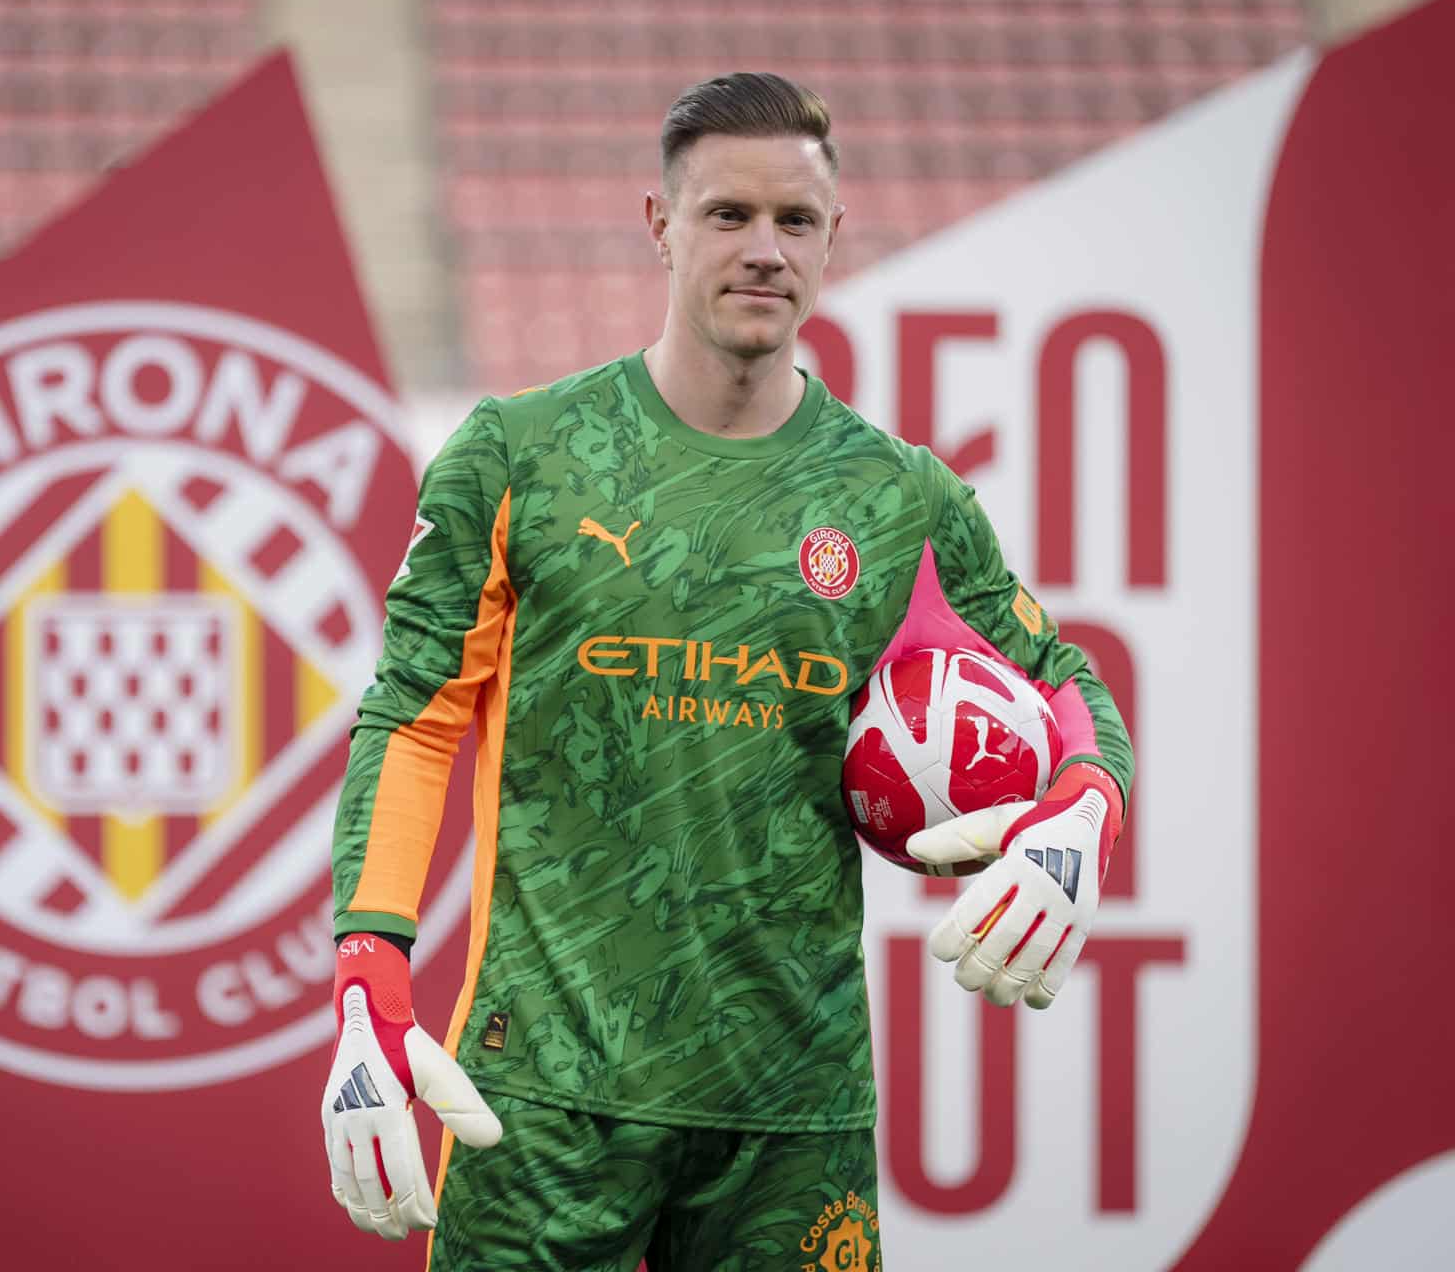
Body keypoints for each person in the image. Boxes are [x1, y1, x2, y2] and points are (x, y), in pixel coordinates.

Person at [319, 71, 1132, 1271]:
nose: (764, 249)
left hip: (791, 1110)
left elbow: (1067, 687)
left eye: (794, 221)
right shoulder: (519, 456)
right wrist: (366, 974)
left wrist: (1085, 811)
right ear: (660, 223)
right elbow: (414, 717)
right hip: (545, 1094)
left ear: (834, 237)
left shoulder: (896, 498)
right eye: (727, 216)